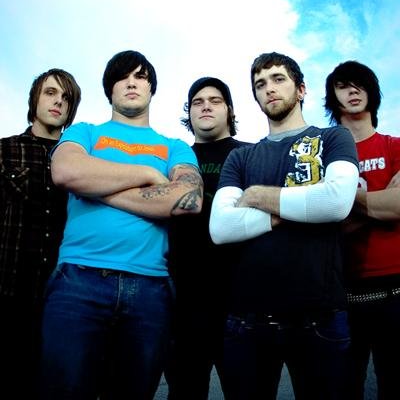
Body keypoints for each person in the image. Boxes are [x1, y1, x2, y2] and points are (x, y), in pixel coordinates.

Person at [40, 50, 203, 400]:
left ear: (151, 88)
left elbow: (188, 198)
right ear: (109, 90)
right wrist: (147, 174)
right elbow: (66, 172)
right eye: (122, 77)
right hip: (78, 282)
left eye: (140, 76)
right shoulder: (85, 132)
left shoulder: (174, 147)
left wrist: (94, 188)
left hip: (150, 289)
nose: (131, 82)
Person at [209, 51, 359, 400]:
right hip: (249, 320)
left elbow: (336, 202)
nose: (269, 89)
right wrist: (296, 207)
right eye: (260, 84)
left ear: (301, 89)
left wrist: (258, 195)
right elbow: (221, 227)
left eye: (278, 79)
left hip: (320, 318)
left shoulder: (333, 138)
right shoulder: (241, 156)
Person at [0, 68, 81, 400]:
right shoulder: (5, 150)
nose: (58, 102)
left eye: (66, 98)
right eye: (50, 93)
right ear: (34, 98)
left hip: (61, 295)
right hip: (8, 292)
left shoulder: (79, 160)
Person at [167, 77, 249, 399]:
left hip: (240, 303)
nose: (205, 106)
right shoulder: (175, 159)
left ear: (229, 109)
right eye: (197, 102)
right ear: (189, 112)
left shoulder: (251, 154)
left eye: (215, 101)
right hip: (183, 305)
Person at [324, 60, 400, 400]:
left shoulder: (394, 146)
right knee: (341, 390)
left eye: (359, 84)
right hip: (340, 292)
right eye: (342, 86)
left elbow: (399, 205)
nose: (352, 90)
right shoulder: (324, 156)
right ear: (333, 98)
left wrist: (338, 198)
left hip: (396, 290)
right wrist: (380, 205)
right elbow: (322, 221)